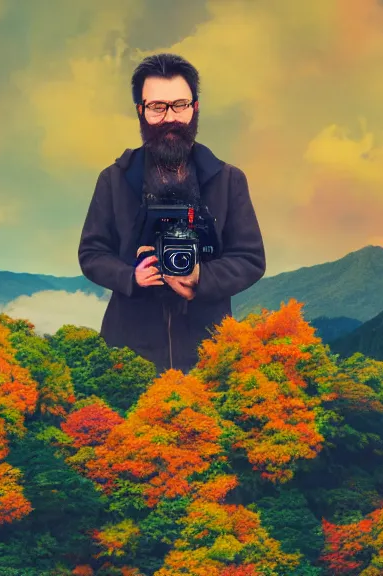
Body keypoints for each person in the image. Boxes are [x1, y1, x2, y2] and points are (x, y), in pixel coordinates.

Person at [78, 53, 266, 375]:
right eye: (157, 107)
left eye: (180, 104)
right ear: (141, 111)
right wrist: (131, 277)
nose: (170, 118)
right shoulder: (114, 179)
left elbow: (250, 258)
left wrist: (200, 277)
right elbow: (92, 253)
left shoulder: (228, 179)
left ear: (195, 108)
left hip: (210, 352)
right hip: (127, 351)